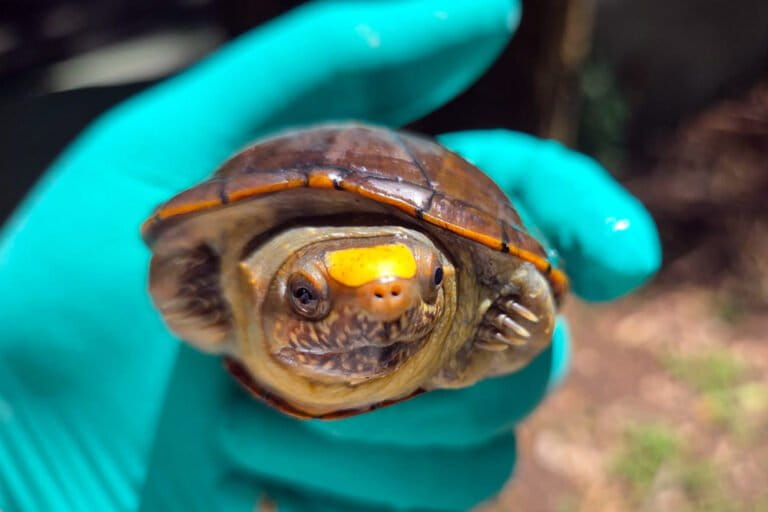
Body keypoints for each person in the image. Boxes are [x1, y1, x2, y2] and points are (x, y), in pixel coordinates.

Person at [0, 1, 660, 511]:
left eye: (423, 285)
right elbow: (180, 262)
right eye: (309, 296)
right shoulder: (222, 268)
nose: (386, 301)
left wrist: (512, 316)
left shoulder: (462, 294)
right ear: (250, 279)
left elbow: (522, 290)